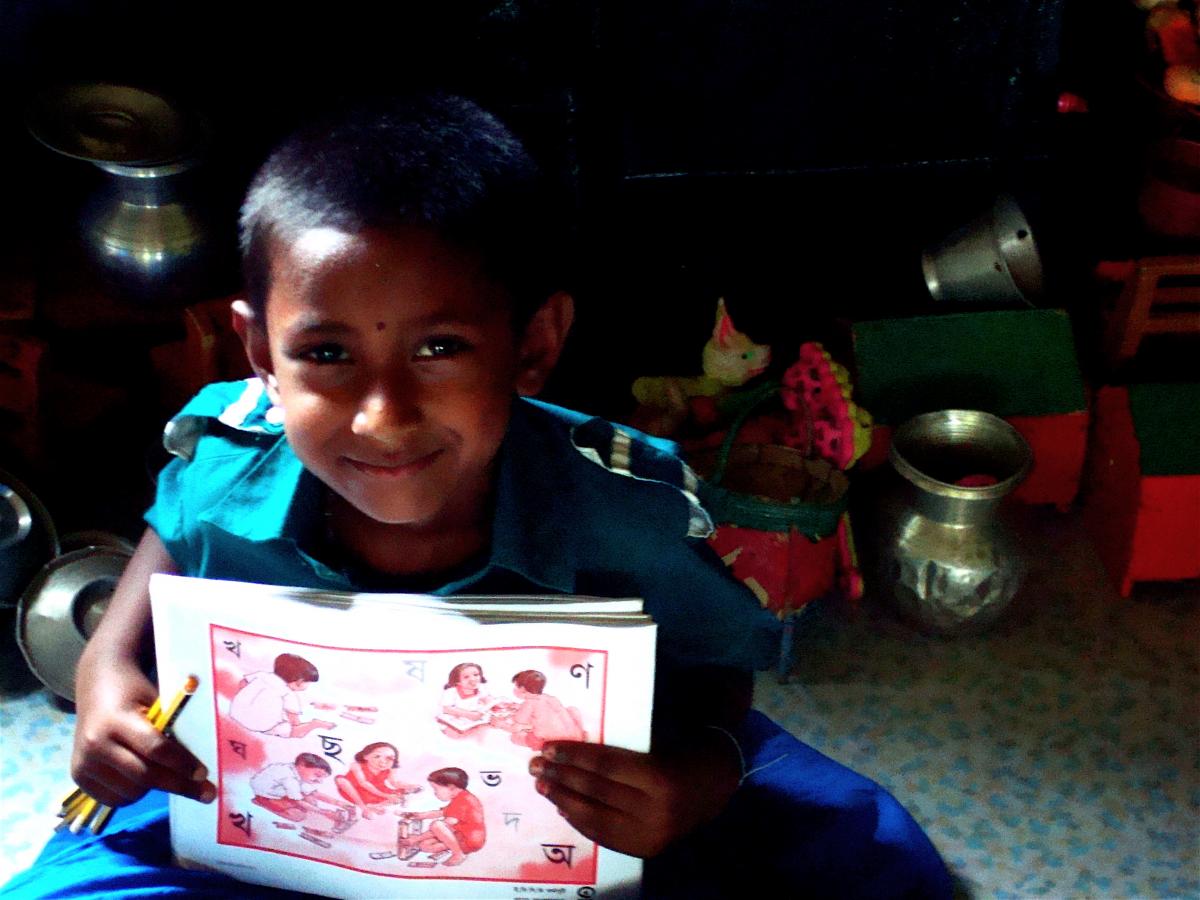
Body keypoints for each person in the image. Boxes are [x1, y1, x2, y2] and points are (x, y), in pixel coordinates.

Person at [0, 93, 951, 899]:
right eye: (325, 355)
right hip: (280, 812)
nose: (381, 417)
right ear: (259, 354)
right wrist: (105, 677)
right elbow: (168, 544)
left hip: (563, 821)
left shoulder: (623, 509)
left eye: (440, 348)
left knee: (862, 852)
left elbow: (711, 679)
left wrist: (691, 783)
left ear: (533, 345)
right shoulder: (233, 458)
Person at [228, 652, 334, 737]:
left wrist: (247, 698)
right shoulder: (288, 694)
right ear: (299, 681)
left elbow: (242, 683)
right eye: (308, 683)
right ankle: (314, 724)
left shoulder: (261, 675)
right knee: (292, 731)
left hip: (236, 712)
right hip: (262, 726)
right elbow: (294, 721)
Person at [396, 767, 486, 866]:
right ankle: (453, 848)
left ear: (451, 788)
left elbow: (444, 827)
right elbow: (441, 813)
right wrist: (421, 815)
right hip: (460, 836)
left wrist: (416, 839)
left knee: (437, 825)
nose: (435, 793)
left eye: (436, 789)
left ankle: (458, 854)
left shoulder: (464, 801)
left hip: (470, 840)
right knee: (424, 846)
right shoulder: (460, 797)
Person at [249, 753, 354, 829]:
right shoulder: (289, 778)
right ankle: (259, 803)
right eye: (317, 775)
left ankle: (293, 806)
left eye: (322, 778)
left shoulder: (298, 772)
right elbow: (298, 801)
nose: (319, 781)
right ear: (302, 765)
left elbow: (315, 794)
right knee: (298, 816)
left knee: (311, 800)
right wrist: (324, 812)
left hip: (280, 791)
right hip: (266, 796)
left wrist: (341, 804)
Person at [494, 668, 586, 750]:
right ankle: (580, 733)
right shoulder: (549, 698)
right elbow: (543, 713)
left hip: (551, 743)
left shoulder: (528, 704)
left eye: (515, 687)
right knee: (572, 710)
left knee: (515, 737)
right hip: (574, 736)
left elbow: (517, 726)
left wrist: (501, 724)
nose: (514, 690)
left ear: (522, 689)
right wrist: (518, 706)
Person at [333, 741, 421, 817]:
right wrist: (385, 795)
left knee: (399, 794)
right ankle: (364, 808)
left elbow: (394, 782)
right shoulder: (356, 765)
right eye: (377, 756)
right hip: (355, 791)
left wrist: (409, 786)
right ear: (365, 756)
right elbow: (363, 783)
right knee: (341, 780)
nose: (383, 761)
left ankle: (376, 806)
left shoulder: (391, 768)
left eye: (389, 758)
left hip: (376, 792)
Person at [436, 661, 498, 735]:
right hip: (456, 718)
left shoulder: (481, 687)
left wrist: (494, 704)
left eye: (476, 675)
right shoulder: (451, 692)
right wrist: (469, 715)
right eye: (466, 677)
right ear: (457, 681)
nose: (473, 679)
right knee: (454, 732)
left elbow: (486, 698)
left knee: (489, 728)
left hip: (476, 718)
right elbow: (447, 709)